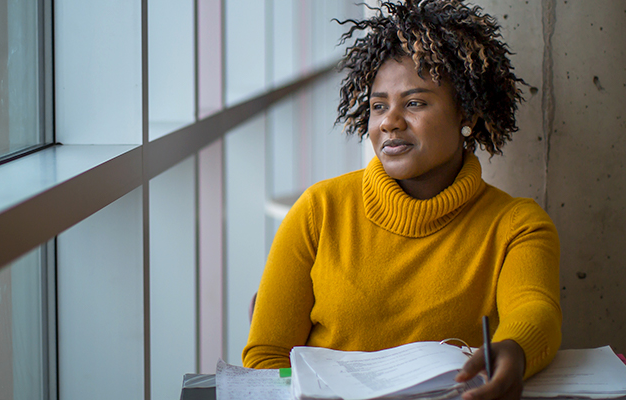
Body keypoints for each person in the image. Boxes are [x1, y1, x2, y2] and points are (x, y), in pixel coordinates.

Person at [241, 1, 562, 400]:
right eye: (378, 106)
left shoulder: (517, 225)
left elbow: (536, 310)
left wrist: (514, 350)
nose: (389, 121)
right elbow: (267, 355)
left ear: (469, 114)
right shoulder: (319, 210)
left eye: (415, 103)